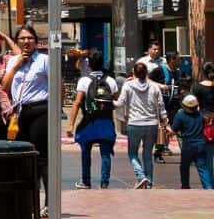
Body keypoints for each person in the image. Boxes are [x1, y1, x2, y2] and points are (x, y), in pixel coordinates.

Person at [3, 24, 51, 216]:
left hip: (40, 110)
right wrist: (16, 66)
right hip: (19, 113)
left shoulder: (45, 60)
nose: (26, 42)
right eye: (22, 39)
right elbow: (4, 86)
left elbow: (58, 85)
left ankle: (49, 203)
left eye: (29, 38)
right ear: (17, 42)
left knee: (42, 158)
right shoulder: (12, 61)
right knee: (23, 157)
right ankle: (27, 201)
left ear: (36, 41)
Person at [66, 49, 118, 189]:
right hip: (106, 121)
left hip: (89, 121)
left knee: (85, 151)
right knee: (105, 153)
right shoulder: (111, 81)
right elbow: (115, 100)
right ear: (103, 63)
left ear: (88, 64)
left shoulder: (84, 81)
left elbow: (77, 103)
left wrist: (71, 125)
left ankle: (86, 181)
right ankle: (104, 183)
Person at [116, 61, 168, 189]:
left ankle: (140, 176)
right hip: (151, 123)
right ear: (147, 73)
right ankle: (149, 182)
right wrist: (165, 119)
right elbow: (160, 105)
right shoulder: (154, 87)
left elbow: (120, 103)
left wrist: (108, 101)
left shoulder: (128, 85)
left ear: (134, 72)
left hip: (134, 123)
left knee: (132, 153)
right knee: (147, 154)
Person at [170, 94, 213, 190]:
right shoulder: (201, 115)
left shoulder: (180, 115)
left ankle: (185, 186)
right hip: (201, 144)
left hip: (188, 146)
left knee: (184, 167)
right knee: (202, 167)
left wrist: (167, 129)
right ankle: (208, 187)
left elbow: (174, 130)